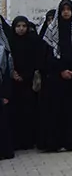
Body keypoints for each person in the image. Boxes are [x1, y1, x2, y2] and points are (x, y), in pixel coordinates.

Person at [40, 0, 72, 152]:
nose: (66, 12)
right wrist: (61, 71)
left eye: (69, 9)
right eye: (63, 9)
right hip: (56, 80)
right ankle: (57, 142)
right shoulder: (52, 31)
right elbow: (47, 56)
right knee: (57, 111)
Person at [5, 16, 44, 151]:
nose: (21, 29)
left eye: (24, 26)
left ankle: (29, 140)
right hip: (14, 83)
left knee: (29, 112)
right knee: (15, 113)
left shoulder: (33, 41)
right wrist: (13, 73)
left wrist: (26, 75)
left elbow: (36, 61)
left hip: (29, 83)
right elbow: (7, 60)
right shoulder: (10, 42)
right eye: (18, 26)